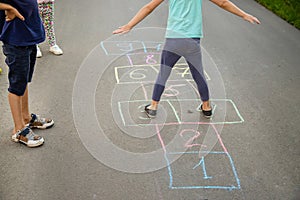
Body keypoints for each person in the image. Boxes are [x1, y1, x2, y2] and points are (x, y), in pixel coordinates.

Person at [113, 0, 260, 118]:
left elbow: (149, 7)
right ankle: (207, 107)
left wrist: (129, 25)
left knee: (163, 73)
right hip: (192, 39)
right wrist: (244, 15)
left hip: (173, 39)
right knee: (198, 74)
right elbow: (223, 3)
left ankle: (153, 107)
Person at [0, 0, 54, 147]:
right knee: (17, 85)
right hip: (16, 37)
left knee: (23, 81)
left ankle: (25, 117)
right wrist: (7, 7)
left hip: (29, 35)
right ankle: (18, 130)